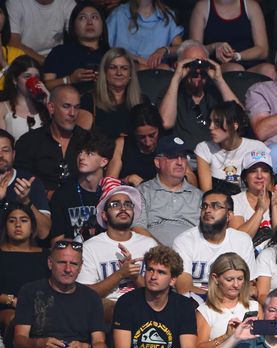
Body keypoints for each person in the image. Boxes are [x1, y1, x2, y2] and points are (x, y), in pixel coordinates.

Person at [11, 240, 109, 348]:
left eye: (74, 264)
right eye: (62, 262)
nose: (68, 269)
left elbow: (101, 345)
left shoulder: (91, 297)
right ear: (50, 263)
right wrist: (38, 344)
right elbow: (18, 341)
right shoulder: (30, 291)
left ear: (80, 267)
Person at [112, 246, 199, 348]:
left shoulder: (184, 306)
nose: (153, 276)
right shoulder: (126, 302)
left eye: (161, 272)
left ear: (172, 280)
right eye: (150, 270)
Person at [80, 184, 157, 315]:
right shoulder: (90, 247)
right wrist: (120, 274)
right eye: (115, 204)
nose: (123, 208)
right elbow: (84, 295)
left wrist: (135, 276)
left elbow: (159, 292)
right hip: (107, 309)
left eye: (128, 204)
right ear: (104, 215)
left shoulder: (149, 244)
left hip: (145, 307)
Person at [174, 189, 259, 294]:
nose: (208, 210)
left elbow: (249, 286)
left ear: (229, 215)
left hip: (233, 304)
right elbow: (184, 289)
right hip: (196, 303)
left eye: (216, 206)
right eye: (205, 206)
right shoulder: (184, 241)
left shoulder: (242, 240)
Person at [159, 44, 240, 151]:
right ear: (178, 65)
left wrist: (219, 80)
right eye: (191, 64)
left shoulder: (216, 93)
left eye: (202, 64)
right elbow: (165, 123)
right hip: (183, 157)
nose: (197, 71)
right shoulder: (171, 93)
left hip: (216, 157)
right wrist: (176, 78)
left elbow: (239, 117)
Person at [0, 203, 46, 333]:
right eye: (12, 220)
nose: (18, 225)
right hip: (5, 309)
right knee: (15, 319)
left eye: (24, 220)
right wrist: (12, 301)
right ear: (6, 226)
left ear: (32, 226)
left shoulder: (46, 255)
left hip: (42, 308)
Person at [13, 83, 83, 195]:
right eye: (66, 106)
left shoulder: (88, 140)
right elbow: (20, 183)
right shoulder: (29, 142)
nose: (72, 113)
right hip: (39, 206)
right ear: (51, 108)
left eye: (76, 107)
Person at [48, 129, 114, 241]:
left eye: (89, 153)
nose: (82, 157)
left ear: (103, 162)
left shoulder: (114, 193)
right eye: (80, 152)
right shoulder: (63, 194)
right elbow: (57, 242)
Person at [140, 136, 203, 247]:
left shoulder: (199, 196)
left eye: (183, 157)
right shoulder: (142, 192)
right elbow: (137, 228)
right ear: (158, 162)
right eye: (173, 156)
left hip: (191, 254)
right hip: (153, 255)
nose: (180, 162)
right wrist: (164, 253)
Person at [188, 0, 273, 75]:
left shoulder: (252, 6)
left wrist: (237, 56)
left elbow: (262, 50)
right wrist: (214, 47)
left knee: (269, 70)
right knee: (235, 70)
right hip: (219, 67)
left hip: (250, 63)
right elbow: (193, 50)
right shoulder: (202, 7)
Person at [195, 102, 267, 192]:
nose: (210, 127)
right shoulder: (204, 148)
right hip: (219, 203)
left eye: (217, 122)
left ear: (234, 125)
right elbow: (207, 192)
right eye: (210, 121)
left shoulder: (257, 148)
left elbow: (265, 188)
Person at [196, 253, 258, 348]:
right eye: (229, 280)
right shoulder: (205, 311)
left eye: (240, 279)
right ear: (215, 278)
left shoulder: (255, 306)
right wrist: (225, 337)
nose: (236, 285)